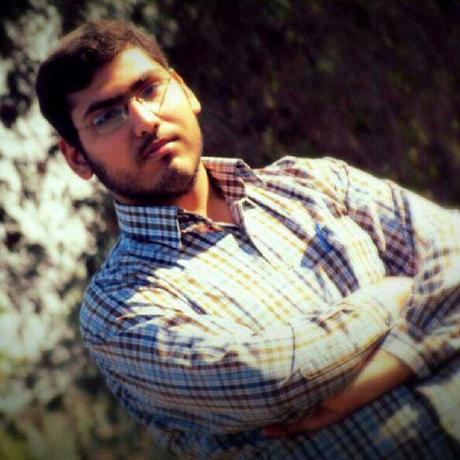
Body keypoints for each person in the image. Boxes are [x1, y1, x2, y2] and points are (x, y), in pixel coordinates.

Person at [35, 20, 460, 459]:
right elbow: (270, 380)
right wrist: (395, 294)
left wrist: (393, 364)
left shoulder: (313, 182)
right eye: (106, 116)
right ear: (77, 158)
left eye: (149, 90)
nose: (145, 121)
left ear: (185, 90)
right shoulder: (117, 307)